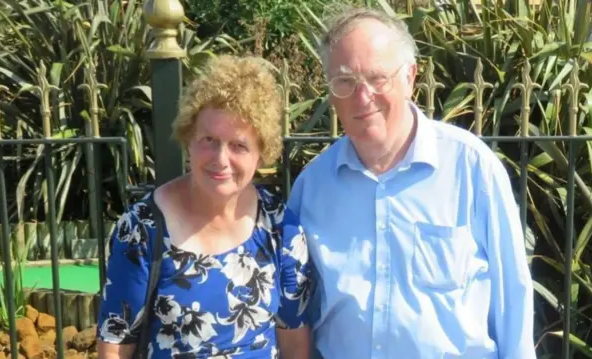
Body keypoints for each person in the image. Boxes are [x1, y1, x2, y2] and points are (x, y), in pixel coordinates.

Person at [286, 6, 536, 359]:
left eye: (377, 78)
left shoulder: (471, 167)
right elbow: (297, 307)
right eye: (345, 81)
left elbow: (513, 296)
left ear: (410, 77)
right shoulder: (312, 187)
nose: (362, 97)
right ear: (330, 91)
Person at [97, 55, 312, 359]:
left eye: (238, 145)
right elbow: (115, 345)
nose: (220, 159)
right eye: (209, 140)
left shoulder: (280, 227)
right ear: (188, 139)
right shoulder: (142, 228)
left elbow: (294, 342)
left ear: (261, 153)